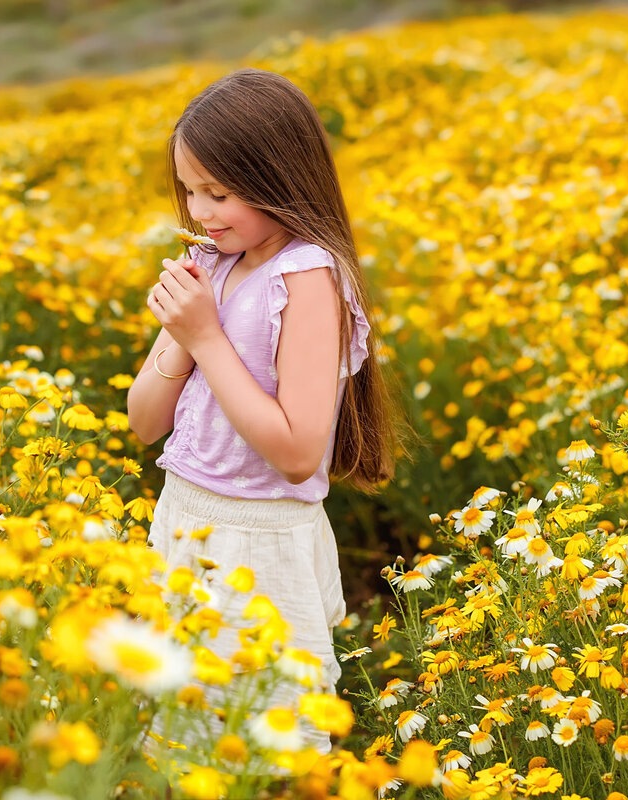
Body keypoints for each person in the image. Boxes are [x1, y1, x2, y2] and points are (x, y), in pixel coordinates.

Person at [126, 68, 403, 757]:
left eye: (218, 192)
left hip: (258, 546)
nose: (200, 211)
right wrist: (179, 335)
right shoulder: (215, 264)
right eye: (189, 191)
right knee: (181, 743)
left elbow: (296, 450)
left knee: (270, 748)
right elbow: (143, 420)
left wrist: (205, 338)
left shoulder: (306, 278)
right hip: (183, 525)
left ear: (279, 177)